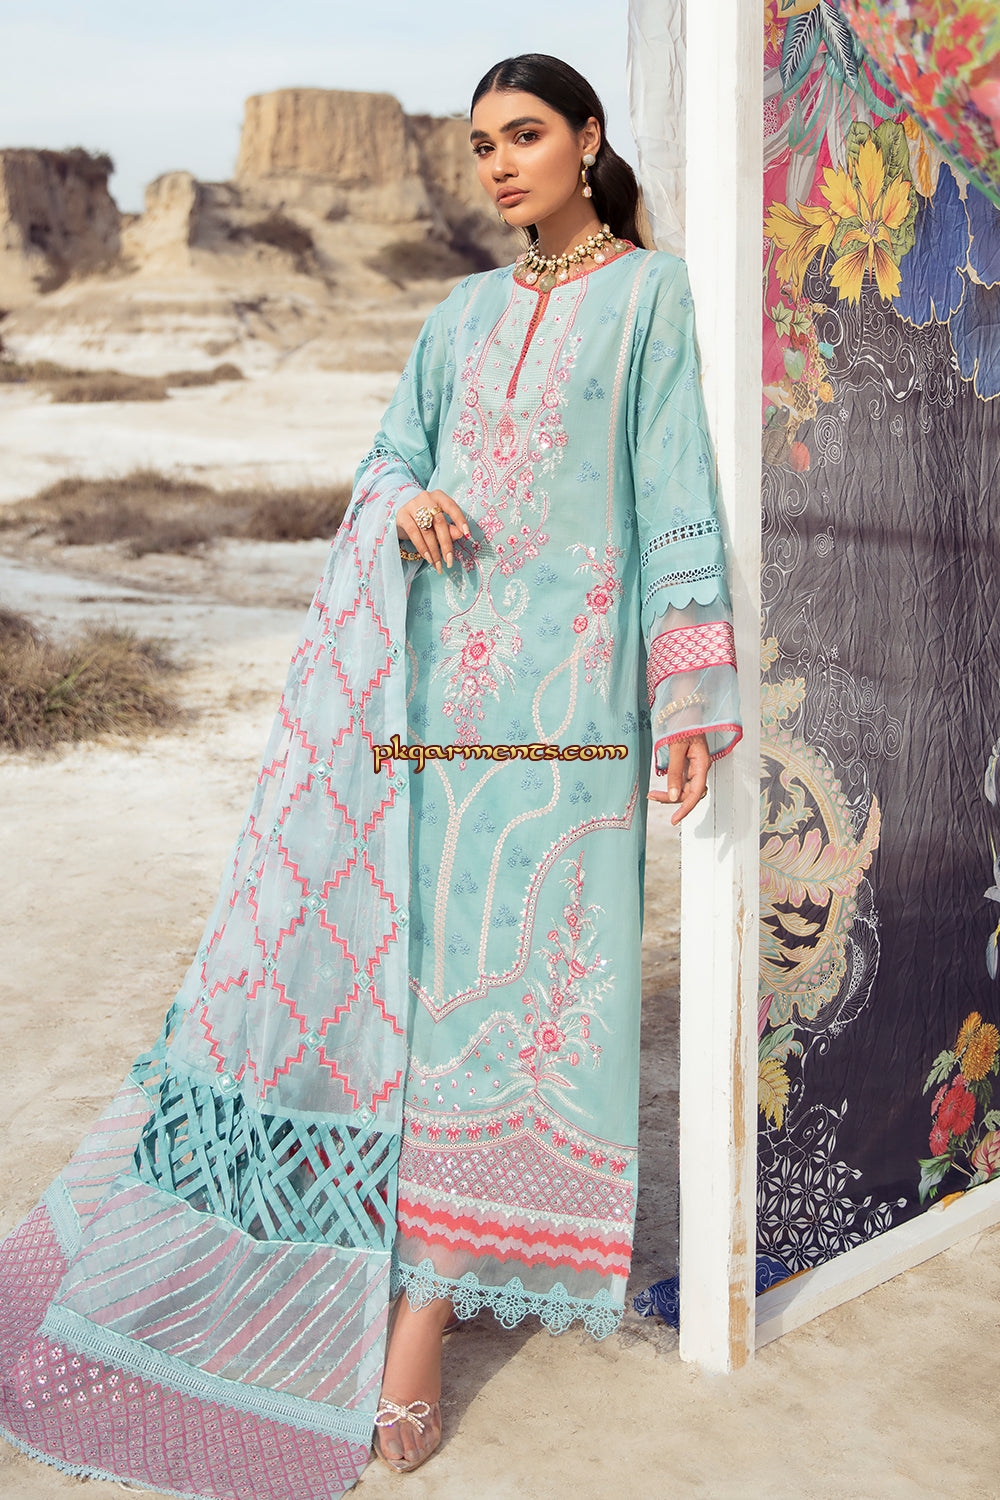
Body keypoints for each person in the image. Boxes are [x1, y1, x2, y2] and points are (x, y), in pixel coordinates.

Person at [0, 53, 740, 1499]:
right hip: (434, 689)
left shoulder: (653, 297)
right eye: (481, 145)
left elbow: (673, 495)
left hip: (567, 707)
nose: (501, 164)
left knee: (526, 985)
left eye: (526, 134)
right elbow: (387, 457)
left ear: (589, 140)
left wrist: (687, 690)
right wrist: (405, 503)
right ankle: (401, 1261)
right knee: (421, 977)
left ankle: (427, 1307)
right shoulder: (459, 314)